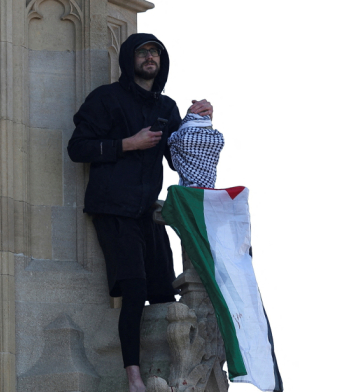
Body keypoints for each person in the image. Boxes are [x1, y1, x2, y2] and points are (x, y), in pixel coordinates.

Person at [67, 33, 213, 392]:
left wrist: (198, 122)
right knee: (133, 289)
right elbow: (77, 148)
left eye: (156, 53)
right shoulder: (106, 99)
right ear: (130, 57)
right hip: (113, 209)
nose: (151, 58)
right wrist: (127, 144)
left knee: (163, 290)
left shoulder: (166, 108)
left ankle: (167, 374)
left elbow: (180, 158)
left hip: (148, 211)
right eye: (144, 52)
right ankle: (133, 379)